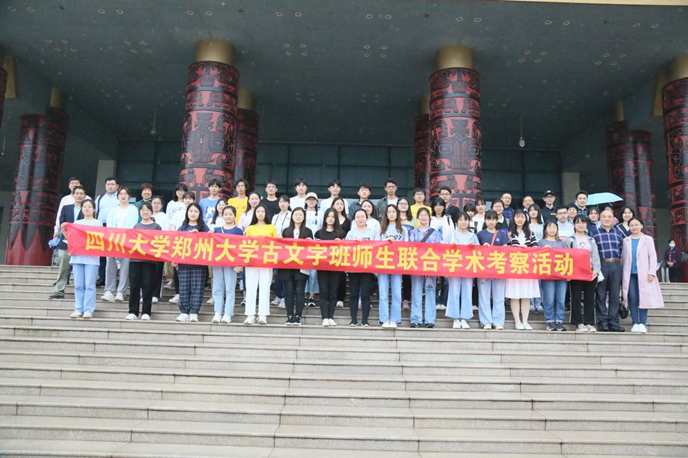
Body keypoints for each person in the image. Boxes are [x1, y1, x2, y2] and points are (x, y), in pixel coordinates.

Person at [622, 217, 665, 333]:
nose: (634, 227)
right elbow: (623, 258)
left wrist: (652, 272)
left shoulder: (648, 239)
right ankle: (635, 322)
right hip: (630, 274)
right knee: (632, 298)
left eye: (636, 225)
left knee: (643, 297)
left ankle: (642, 323)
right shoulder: (626, 241)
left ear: (641, 226)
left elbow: (652, 256)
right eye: (631, 225)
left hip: (644, 274)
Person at [126, 202, 162, 321]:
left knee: (147, 285)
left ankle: (146, 312)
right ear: (139, 212)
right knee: (134, 286)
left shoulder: (156, 227)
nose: (145, 212)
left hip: (149, 261)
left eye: (147, 210)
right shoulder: (136, 227)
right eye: (142, 210)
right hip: (134, 260)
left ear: (151, 212)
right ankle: (133, 311)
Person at [49, 185, 87, 300]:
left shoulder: (88, 209)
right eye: (77, 193)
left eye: (81, 194)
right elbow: (63, 224)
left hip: (82, 244)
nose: (79, 195)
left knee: (81, 269)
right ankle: (59, 291)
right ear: (73, 195)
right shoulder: (66, 208)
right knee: (63, 268)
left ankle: (82, 292)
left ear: (84, 195)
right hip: (66, 242)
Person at [102, 187, 139, 302]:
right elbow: (110, 225)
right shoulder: (113, 210)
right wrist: (114, 237)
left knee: (125, 266)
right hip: (113, 240)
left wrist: (124, 236)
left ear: (129, 196)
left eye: (125, 194)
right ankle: (109, 290)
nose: (123, 196)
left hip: (127, 240)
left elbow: (132, 224)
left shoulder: (133, 209)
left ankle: (121, 291)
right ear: (118, 196)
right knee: (110, 264)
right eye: (121, 194)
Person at [506, 209, 540, 330]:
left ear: (526, 219)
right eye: (517, 217)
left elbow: (536, 249)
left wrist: (528, 249)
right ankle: (517, 321)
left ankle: (525, 321)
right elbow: (505, 250)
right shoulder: (509, 234)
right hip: (514, 268)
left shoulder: (530, 234)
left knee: (526, 295)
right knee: (515, 295)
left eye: (522, 217)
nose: (520, 219)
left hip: (527, 268)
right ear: (513, 218)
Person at [173, 203, 208, 323]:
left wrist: (200, 235)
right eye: (191, 211)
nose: (193, 214)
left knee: (197, 288)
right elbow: (175, 244)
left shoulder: (204, 228)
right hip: (183, 263)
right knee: (183, 287)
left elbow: (210, 243)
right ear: (187, 213)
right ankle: (184, 312)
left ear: (200, 214)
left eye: (196, 211)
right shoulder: (182, 228)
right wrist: (175, 259)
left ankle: (194, 312)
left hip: (199, 263)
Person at [593, 208, 626, 332]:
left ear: (613, 219)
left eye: (609, 217)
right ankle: (602, 321)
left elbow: (622, 250)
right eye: (604, 217)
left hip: (616, 265)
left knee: (614, 294)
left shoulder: (618, 233)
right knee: (600, 294)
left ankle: (614, 321)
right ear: (600, 219)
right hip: (601, 264)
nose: (607, 219)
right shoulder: (594, 233)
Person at [68, 199, 102, 319]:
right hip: (77, 257)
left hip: (92, 258)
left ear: (94, 209)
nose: (87, 209)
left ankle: (88, 309)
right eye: (84, 207)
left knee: (89, 285)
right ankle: (78, 309)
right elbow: (71, 238)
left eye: (89, 207)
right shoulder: (77, 222)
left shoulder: (98, 223)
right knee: (78, 285)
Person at [244, 204, 277, 325]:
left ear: (266, 213)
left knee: (265, 288)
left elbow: (276, 244)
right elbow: (245, 244)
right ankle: (250, 315)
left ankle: (263, 315)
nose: (260, 213)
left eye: (263, 211)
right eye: (258, 211)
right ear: (255, 213)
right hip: (252, 261)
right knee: (250, 288)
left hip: (266, 261)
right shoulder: (250, 228)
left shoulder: (271, 227)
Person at [409, 208, 442, 328]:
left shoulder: (435, 233)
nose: (423, 217)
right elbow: (411, 248)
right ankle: (415, 319)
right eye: (421, 215)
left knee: (430, 292)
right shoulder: (413, 232)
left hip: (430, 266)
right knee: (416, 292)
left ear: (429, 217)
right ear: (418, 217)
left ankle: (430, 320)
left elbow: (438, 249)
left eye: (425, 215)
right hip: (417, 266)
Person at [279, 208, 312, 326]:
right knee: (288, 291)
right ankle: (289, 315)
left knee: (300, 291)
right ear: (292, 216)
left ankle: (298, 315)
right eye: (296, 214)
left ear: (304, 217)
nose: (298, 217)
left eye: (300, 215)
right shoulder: (286, 231)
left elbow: (311, 249)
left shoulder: (308, 231)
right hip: (287, 266)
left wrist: (310, 241)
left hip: (302, 266)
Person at [568, 215, 601, 332]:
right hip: (575, 273)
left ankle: (590, 322)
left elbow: (595, 255)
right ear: (574, 224)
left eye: (583, 222)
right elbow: (566, 256)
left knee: (590, 297)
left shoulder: (591, 240)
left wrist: (596, 270)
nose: (581, 225)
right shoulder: (570, 240)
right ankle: (578, 322)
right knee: (576, 297)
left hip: (589, 272)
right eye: (578, 222)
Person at [477, 210, 509, 330]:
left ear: (497, 220)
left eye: (493, 219)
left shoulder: (502, 235)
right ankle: (486, 321)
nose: (491, 222)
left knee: (499, 296)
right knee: (484, 296)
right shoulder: (480, 234)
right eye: (488, 219)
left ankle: (498, 322)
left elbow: (506, 251)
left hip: (499, 268)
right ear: (485, 220)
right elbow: (474, 252)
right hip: (483, 269)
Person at [346, 209, 378, 326]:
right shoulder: (350, 233)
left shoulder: (373, 233)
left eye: (362, 216)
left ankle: (365, 319)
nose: (360, 219)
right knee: (353, 294)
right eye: (357, 217)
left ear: (366, 218)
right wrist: (353, 243)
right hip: (353, 268)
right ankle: (353, 319)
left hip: (367, 268)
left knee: (365, 294)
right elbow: (345, 249)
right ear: (354, 219)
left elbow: (377, 247)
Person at [446, 211, 478, 329]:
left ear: (469, 221)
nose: (463, 222)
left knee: (467, 292)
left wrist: (473, 247)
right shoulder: (451, 235)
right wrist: (451, 247)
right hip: (454, 267)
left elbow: (479, 253)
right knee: (454, 292)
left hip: (468, 268)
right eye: (460, 220)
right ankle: (455, 318)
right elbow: (443, 250)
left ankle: (464, 318)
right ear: (456, 222)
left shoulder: (473, 236)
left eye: (466, 220)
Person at [378, 205, 408, 328]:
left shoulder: (403, 229)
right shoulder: (380, 229)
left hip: (397, 263)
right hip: (383, 263)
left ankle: (395, 318)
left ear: (397, 214)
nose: (391, 214)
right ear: (386, 214)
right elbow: (375, 245)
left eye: (393, 212)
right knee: (383, 292)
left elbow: (407, 246)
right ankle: (384, 318)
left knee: (396, 292)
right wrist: (386, 242)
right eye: (389, 212)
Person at [212, 206, 243, 324]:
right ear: (222, 215)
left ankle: (228, 313)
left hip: (231, 263)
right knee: (217, 287)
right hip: (218, 262)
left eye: (230, 214)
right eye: (226, 214)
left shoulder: (238, 231)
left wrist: (239, 263)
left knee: (230, 288)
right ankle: (217, 312)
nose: (228, 216)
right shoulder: (217, 230)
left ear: (235, 216)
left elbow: (240, 248)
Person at [315, 208, 345, 326]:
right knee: (323, 292)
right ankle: (324, 317)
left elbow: (346, 250)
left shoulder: (341, 233)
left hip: (336, 266)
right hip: (322, 266)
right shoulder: (319, 233)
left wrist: (341, 243)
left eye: (333, 217)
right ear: (325, 218)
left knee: (333, 292)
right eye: (328, 216)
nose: (331, 219)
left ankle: (331, 317)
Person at [538, 221, 569, 331]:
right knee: (549, 298)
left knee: (561, 299)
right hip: (547, 275)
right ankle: (550, 320)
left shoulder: (562, 243)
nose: (552, 230)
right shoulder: (541, 242)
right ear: (545, 229)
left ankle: (559, 320)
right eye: (549, 227)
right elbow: (536, 257)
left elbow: (569, 258)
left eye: (554, 227)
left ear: (557, 229)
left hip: (561, 274)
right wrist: (543, 250)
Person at [94, 176, 119, 285]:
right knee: (102, 253)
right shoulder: (100, 198)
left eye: (112, 184)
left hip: (116, 228)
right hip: (102, 227)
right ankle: (102, 277)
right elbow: (95, 212)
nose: (110, 186)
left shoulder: (120, 197)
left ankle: (113, 278)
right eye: (108, 184)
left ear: (117, 186)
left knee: (114, 253)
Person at [430, 197, 454, 310]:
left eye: (441, 205)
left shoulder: (448, 219)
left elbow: (452, 235)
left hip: (446, 252)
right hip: (433, 252)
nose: (438, 207)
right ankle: (435, 301)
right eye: (436, 205)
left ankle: (443, 301)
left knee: (446, 279)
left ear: (444, 207)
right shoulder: (430, 219)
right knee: (433, 277)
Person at [271, 195, 292, 309]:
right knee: (276, 273)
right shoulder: (275, 217)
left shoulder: (291, 215)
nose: (282, 204)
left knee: (285, 273)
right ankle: (278, 295)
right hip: (275, 247)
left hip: (287, 247)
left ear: (289, 204)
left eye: (285, 202)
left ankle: (284, 297)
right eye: (280, 202)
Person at [398, 197, 416, 310]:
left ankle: (406, 300)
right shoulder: (394, 218)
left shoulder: (413, 220)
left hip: (409, 251)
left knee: (407, 277)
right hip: (395, 252)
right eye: (401, 203)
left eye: (405, 203)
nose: (403, 205)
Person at [304, 192, 322, 307]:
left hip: (316, 246)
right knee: (303, 271)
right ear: (306, 201)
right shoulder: (302, 213)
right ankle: (303, 295)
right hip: (303, 246)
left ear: (316, 202)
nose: (311, 201)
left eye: (313, 199)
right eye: (309, 199)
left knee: (314, 273)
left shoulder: (320, 214)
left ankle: (311, 296)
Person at [150, 195, 169, 303]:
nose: (156, 205)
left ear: (162, 205)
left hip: (159, 246)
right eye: (154, 203)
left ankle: (156, 294)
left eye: (158, 203)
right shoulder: (147, 214)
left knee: (157, 271)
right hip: (147, 247)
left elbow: (166, 231)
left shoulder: (164, 217)